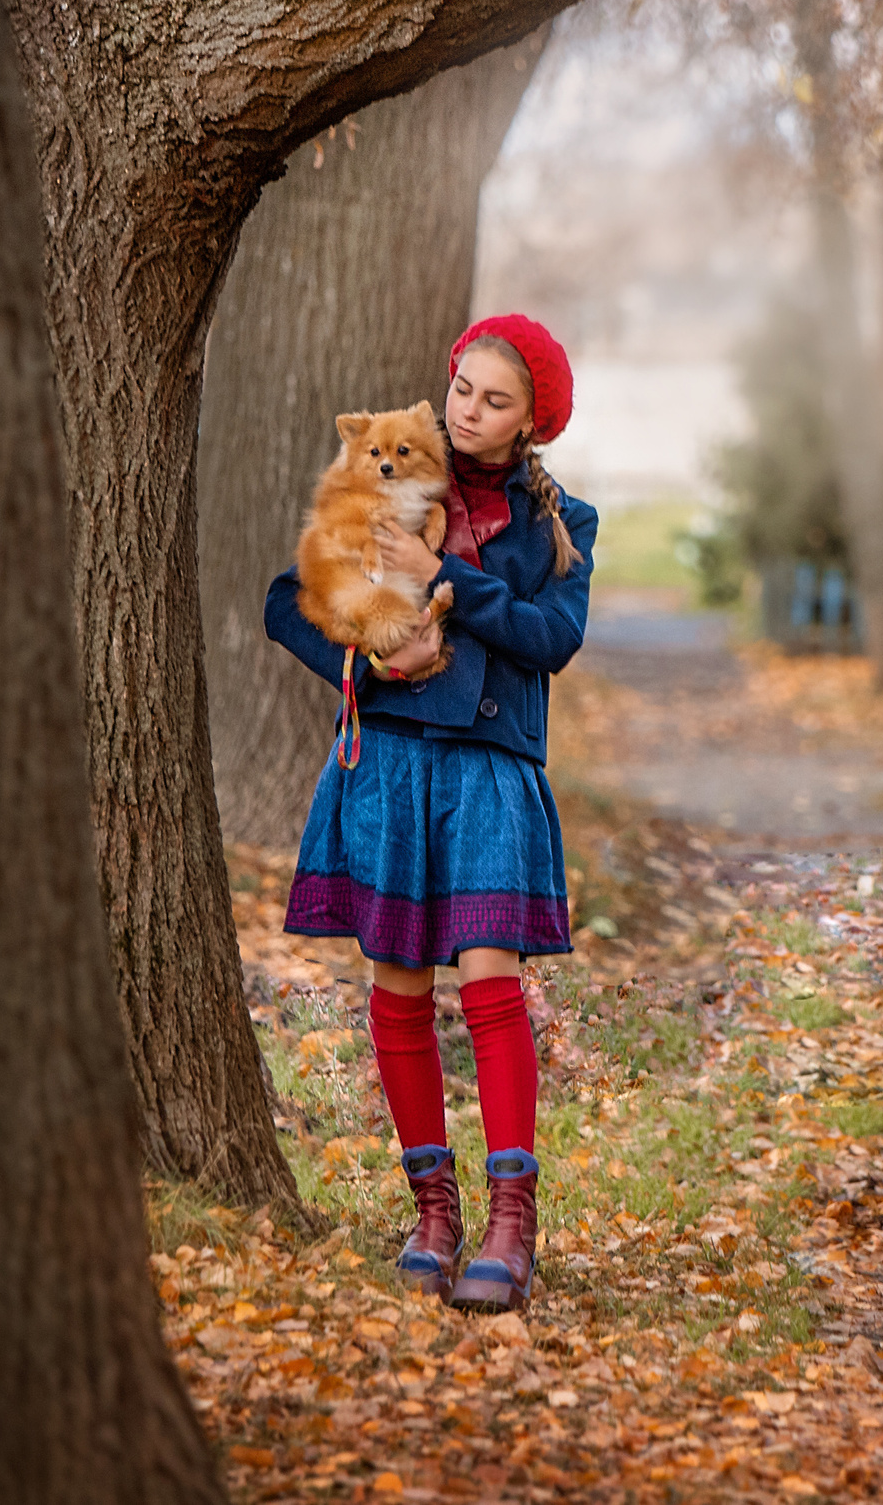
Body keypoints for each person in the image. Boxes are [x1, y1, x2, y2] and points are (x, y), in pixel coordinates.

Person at [263, 314, 596, 1313]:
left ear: (531, 420)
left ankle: (511, 1221)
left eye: (495, 401)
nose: (469, 410)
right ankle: (433, 1211)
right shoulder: (388, 473)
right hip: (390, 757)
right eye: (462, 389)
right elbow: (286, 599)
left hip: (490, 769)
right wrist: (367, 658)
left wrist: (441, 577)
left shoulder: (562, 522)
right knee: (398, 980)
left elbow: (551, 638)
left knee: (491, 981)